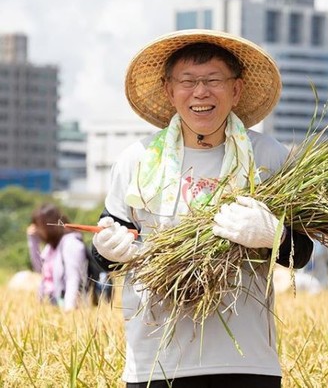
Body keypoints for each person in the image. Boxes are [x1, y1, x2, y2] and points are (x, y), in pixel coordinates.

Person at [92, 29, 314, 387]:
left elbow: (300, 253)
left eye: (213, 80)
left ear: (236, 89)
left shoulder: (269, 157)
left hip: (247, 361)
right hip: (157, 362)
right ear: (169, 90)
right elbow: (104, 251)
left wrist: (273, 235)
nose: (200, 92)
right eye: (188, 81)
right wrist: (106, 248)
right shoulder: (138, 160)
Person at [27, 203, 88, 311]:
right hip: (52, 305)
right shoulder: (50, 247)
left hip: (66, 306)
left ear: (48, 225)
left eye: (38, 226)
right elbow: (39, 270)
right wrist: (33, 240)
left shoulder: (71, 243)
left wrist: (69, 310)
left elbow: (73, 278)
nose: (36, 230)